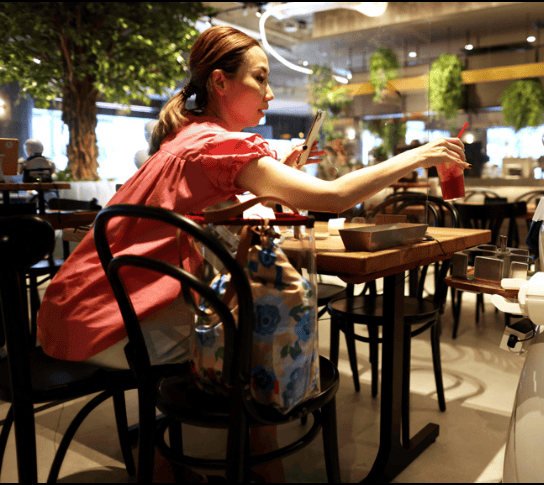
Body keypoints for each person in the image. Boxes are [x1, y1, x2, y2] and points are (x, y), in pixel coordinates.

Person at [36, 25, 468, 482]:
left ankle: (187, 457)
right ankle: (257, 468)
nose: (269, 91)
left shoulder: (188, 138)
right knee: (262, 337)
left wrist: (278, 174)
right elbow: (335, 197)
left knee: (249, 317)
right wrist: (421, 154)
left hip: (81, 308)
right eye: (259, 78)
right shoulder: (217, 144)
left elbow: (213, 203)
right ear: (220, 82)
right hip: (117, 326)